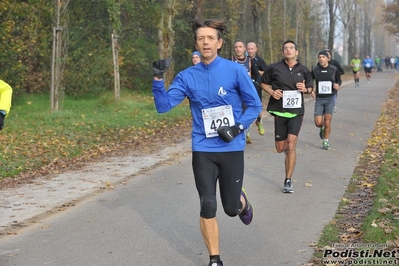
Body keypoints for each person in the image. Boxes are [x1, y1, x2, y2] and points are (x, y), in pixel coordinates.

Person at [151, 19, 262, 266]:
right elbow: (163, 106)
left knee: (230, 208)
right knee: (207, 203)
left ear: (219, 43)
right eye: (201, 38)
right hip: (203, 148)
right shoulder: (187, 76)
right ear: (196, 44)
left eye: (210, 38)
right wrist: (158, 81)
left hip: (231, 146)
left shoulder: (235, 71)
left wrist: (238, 127)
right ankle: (214, 259)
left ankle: (240, 202)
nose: (205, 42)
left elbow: (255, 105)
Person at [260, 40, 313, 193]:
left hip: (296, 112)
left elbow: (310, 88)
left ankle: (288, 180)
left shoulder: (304, 70)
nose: (288, 50)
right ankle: (287, 152)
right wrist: (272, 92)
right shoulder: (274, 68)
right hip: (279, 111)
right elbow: (263, 83)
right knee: (280, 148)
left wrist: (306, 89)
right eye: (286, 49)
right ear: (283, 53)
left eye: (291, 48)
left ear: (296, 52)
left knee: (291, 144)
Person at [231, 39, 261, 144]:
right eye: (236, 47)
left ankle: (245, 131)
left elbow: (257, 75)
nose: (238, 49)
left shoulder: (249, 61)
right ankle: (237, 133)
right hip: (234, 93)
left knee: (245, 113)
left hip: (246, 93)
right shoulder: (230, 60)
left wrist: (255, 83)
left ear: (244, 49)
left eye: (240, 47)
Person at [311, 50, 342, 150]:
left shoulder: (333, 69)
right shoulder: (315, 69)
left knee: (327, 121)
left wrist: (337, 85)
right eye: (319, 57)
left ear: (327, 58)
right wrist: (312, 90)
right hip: (319, 99)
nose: (321, 59)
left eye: (323, 57)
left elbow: (339, 80)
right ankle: (321, 128)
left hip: (330, 98)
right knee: (318, 122)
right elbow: (310, 81)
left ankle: (326, 141)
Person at [247, 41, 268, 136]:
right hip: (245, 87)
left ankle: (259, 121)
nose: (250, 51)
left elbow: (267, 73)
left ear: (256, 49)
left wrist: (257, 72)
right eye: (248, 49)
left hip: (256, 86)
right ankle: (246, 132)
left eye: (252, 49)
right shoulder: (243, 60)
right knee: (245, 108)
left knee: (258, 108)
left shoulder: (259, 60)